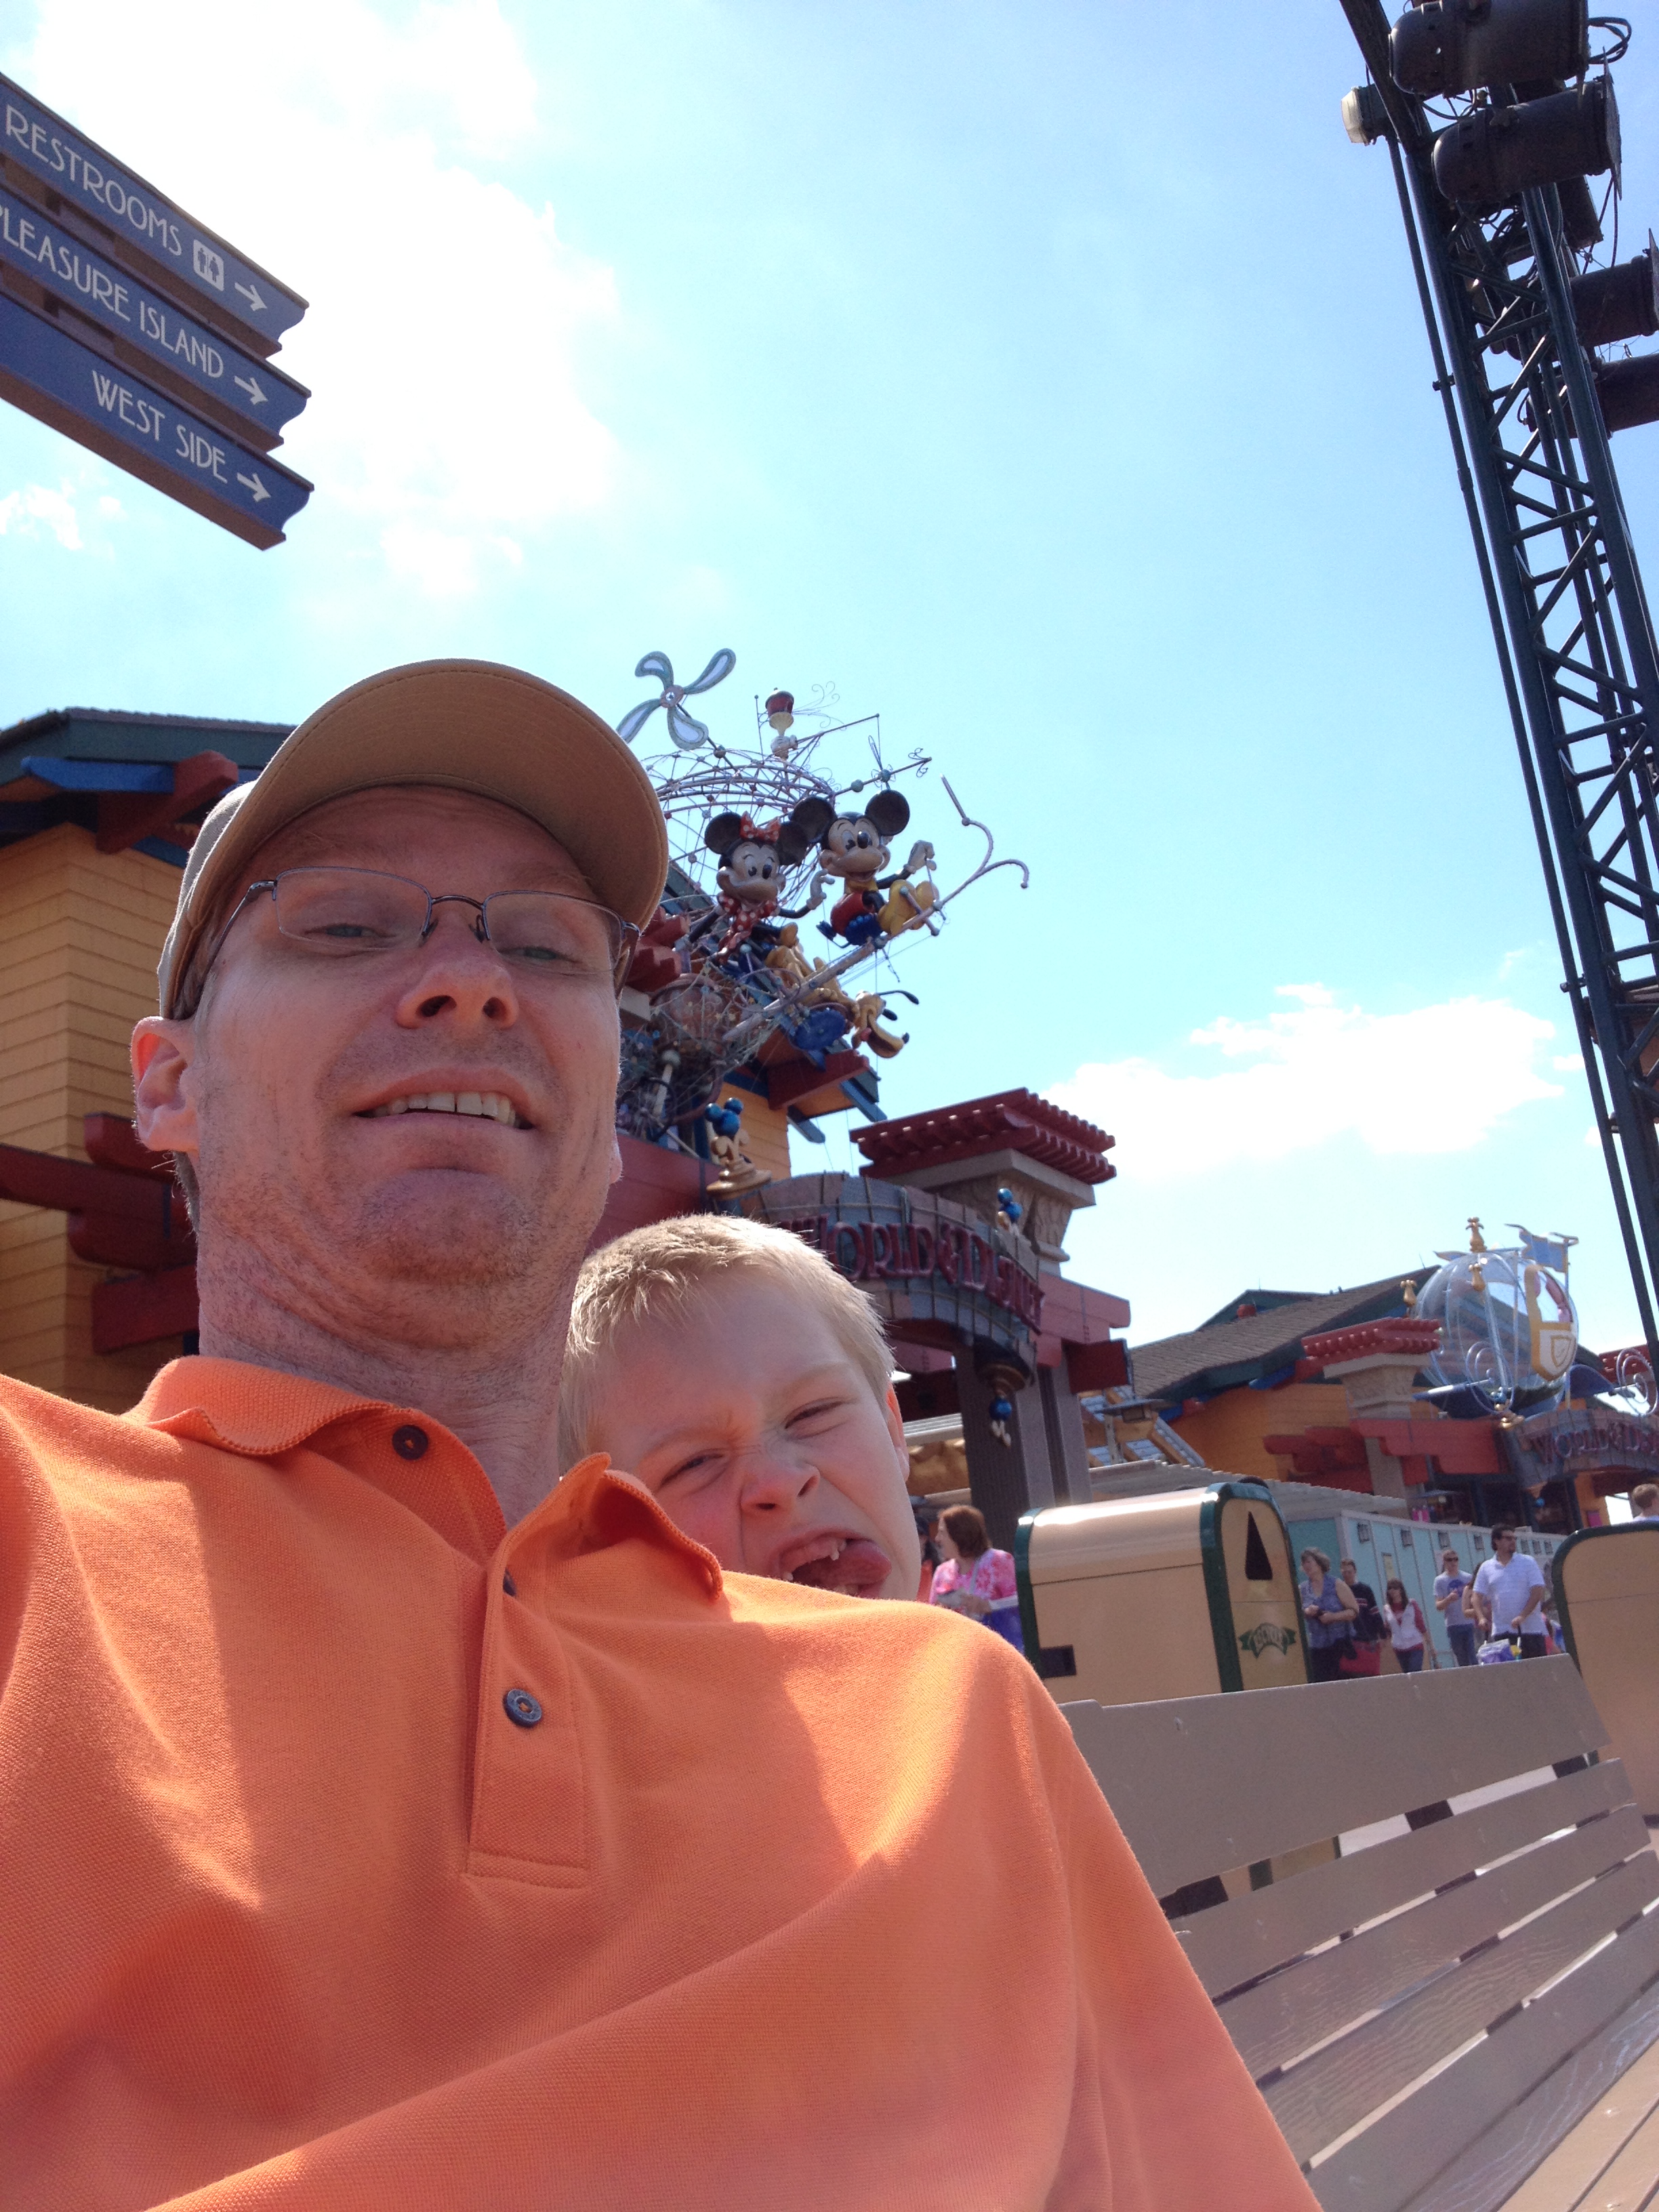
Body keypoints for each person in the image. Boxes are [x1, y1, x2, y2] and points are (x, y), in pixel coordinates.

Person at [0, 659, 1316, 2211]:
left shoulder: (950, 1716)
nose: (470, 983)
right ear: (168, 1085)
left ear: (610, 1089)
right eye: (344, 926)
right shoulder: (33, 1532)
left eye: (547, 946)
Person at [556, 1212, 920, 1604]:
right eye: (694, 1463)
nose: (780, 1482)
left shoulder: (970, 1646)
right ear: (601, 1538)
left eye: (812, 1413)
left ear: (893, 1432)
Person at [930, 1504, 1026, 1654]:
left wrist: (988, 1606)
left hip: (1000, 1651)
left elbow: (1024, 1601)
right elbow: (931, 1614)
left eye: (942, 1533)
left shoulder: (998, 1561)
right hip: (961, 1654)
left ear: (959, 1535)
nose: (937, 1539)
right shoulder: (942, 1572)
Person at [1471, 1522, 1549, 1658]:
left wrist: (1523, 1615)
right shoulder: (1486, 1567)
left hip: (1531, 1630)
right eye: (1508, 1538)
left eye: (1514, 1538)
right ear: (1496, 1541)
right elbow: (1476, 1596)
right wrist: (1481, 1618)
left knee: (1536, 1668)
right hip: (1502, 1632)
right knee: (1511, 1669)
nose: (1513, 1541)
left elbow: (1538, 1591)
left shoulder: (1527, 1562)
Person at [1300, 1545, 1360, 1683]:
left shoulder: (1336, 1584)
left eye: (1309, 1562)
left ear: (1319, 1563)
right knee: (1321, 1684)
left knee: (1342, 1683)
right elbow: (1296, 1614)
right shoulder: (1302, 1589)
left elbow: (1354, 1611)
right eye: (1303, 1563)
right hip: (1317, 1647)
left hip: (1340, 1644)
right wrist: (1307, 1612)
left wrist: (1333, 1617)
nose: (1306, 1566)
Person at [1434, 1547, 1479, 1667]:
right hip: (1453, 1625)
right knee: (1461, 1657)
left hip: (1469, 1623)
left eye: (1456, 1559)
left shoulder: (1467, 1578)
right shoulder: (1440, 1581)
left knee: (1473, 1656)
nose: (1453, 1563)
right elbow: (1438, 1606)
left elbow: (1476, 1598)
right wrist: (1448, 1599)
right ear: (1444, 1562)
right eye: (1450, 1560)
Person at [1338, 1555, 1384, 1673]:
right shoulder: (1338, 1591)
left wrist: (1382, 1634)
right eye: (1344, 1572)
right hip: (1348, 1639)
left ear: (1355, 1572)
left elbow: (1374, 1612)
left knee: (1369, 1670)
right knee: (1349, 1671)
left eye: (1350, 1572)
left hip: (1367, 1637)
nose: (1347, 1575)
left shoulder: (1365, 1590)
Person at [1382, 1578, 1429, 1673]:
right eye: (1390, 1589)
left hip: (1415, 1644)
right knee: (1406, 1674)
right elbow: (1387, 1628)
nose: (1392, 1591)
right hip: (1399, 1646)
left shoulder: (1411, 1604)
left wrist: (1430, 1645)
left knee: (1414, 1671)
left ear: (1401, 1590)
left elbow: (1421, 1624)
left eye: (1395, 1588)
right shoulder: (1387, 1609)